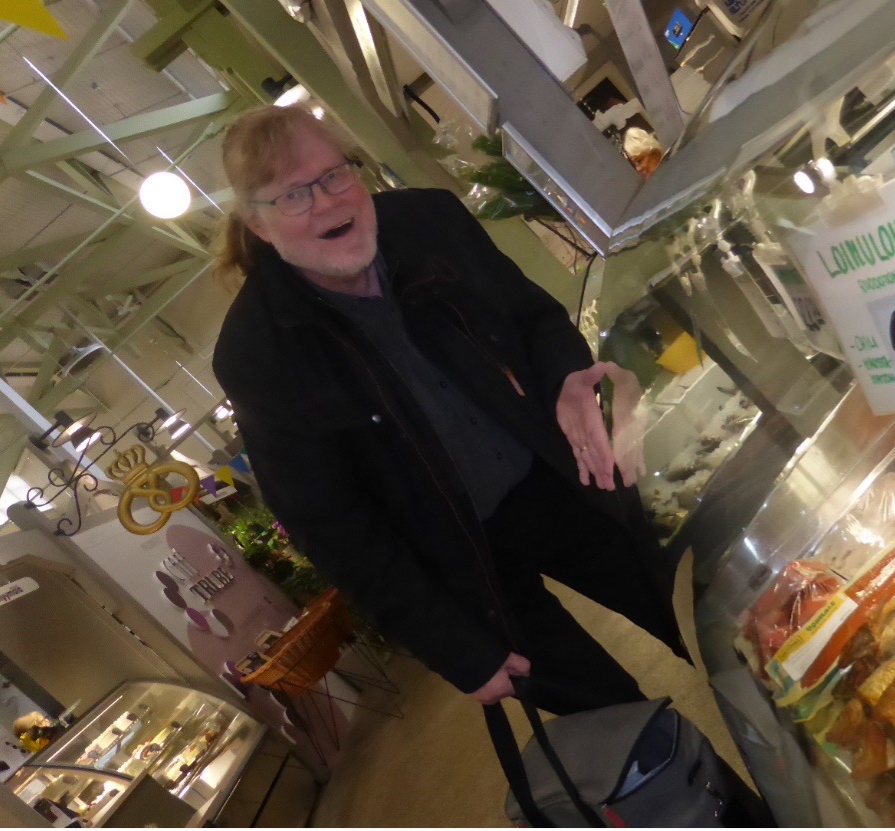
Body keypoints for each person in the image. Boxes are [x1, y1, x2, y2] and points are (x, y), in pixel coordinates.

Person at [210, 104, 689, 715]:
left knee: (686, 605)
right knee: (613, 718)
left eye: (334, 174)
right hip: (462, 563)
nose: (328, 201)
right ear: (257, 224)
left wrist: (567, 377)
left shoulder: (431, 222)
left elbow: (533, 319)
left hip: (557, 474)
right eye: (294, 195)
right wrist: (454, 647)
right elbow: (331, 526)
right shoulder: (257, 354)